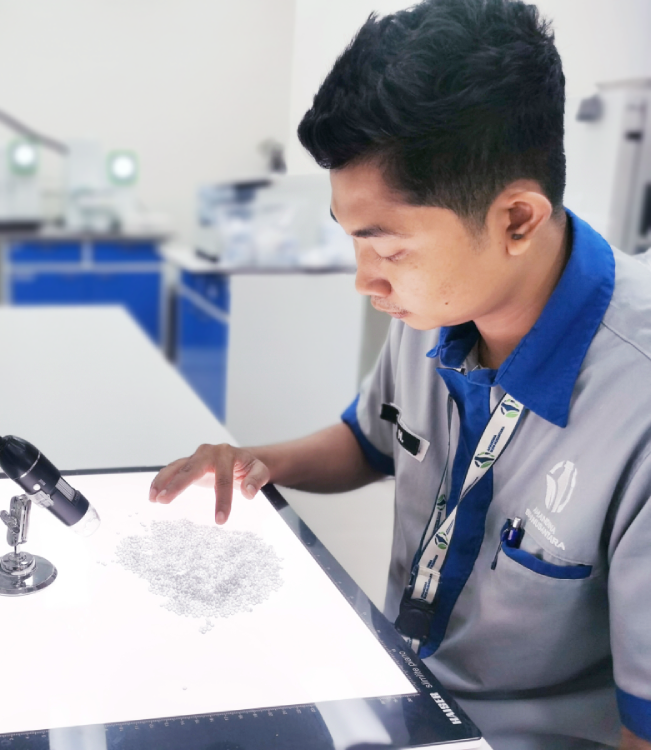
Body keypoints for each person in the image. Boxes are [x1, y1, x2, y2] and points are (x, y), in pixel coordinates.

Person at [149, 1, 651, 748]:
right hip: (395, 689)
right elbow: (368, 442)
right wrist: (256, 462)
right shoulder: (437, 308)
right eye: (354, 240)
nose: (366, 281)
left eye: (387, 249)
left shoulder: (635, 406)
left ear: (517, 220)